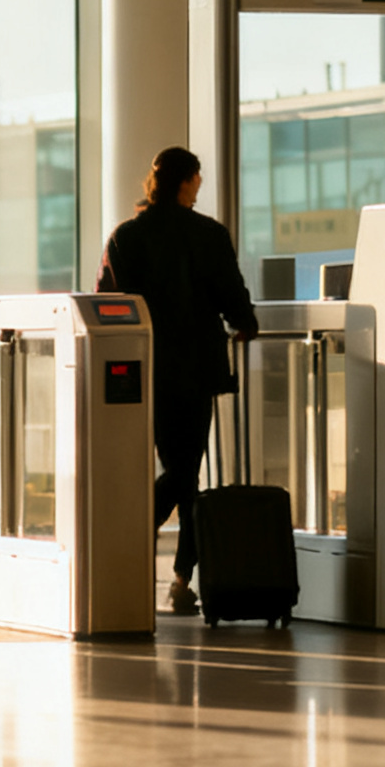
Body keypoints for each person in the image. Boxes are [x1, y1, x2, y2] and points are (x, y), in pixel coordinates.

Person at [97, 146, 258, 618]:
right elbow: (231, 293)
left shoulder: (127, 236)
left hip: (142, 370)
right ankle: (175, 571)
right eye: (198, 177)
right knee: (187, 470)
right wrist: (246, 322)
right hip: (197, 369)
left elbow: (108, 299)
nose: (200, 184)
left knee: (181, 469)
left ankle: (180, 577)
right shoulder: (208, 234)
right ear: (187, 181)